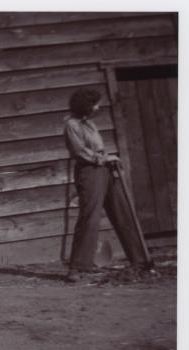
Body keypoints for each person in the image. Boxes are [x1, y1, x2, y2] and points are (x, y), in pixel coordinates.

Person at [63, 88, 152, 282]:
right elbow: (79, 152)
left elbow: (97, 148)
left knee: (123, 211)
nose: (98, 106)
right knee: (90, 217)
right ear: (85, 104)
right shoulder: (71, 124)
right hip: (89, 172)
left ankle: (141, 261)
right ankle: (77, 267)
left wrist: (108, 159)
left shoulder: (90, 124)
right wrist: (101, 159)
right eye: (95, 103)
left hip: (106, 169)